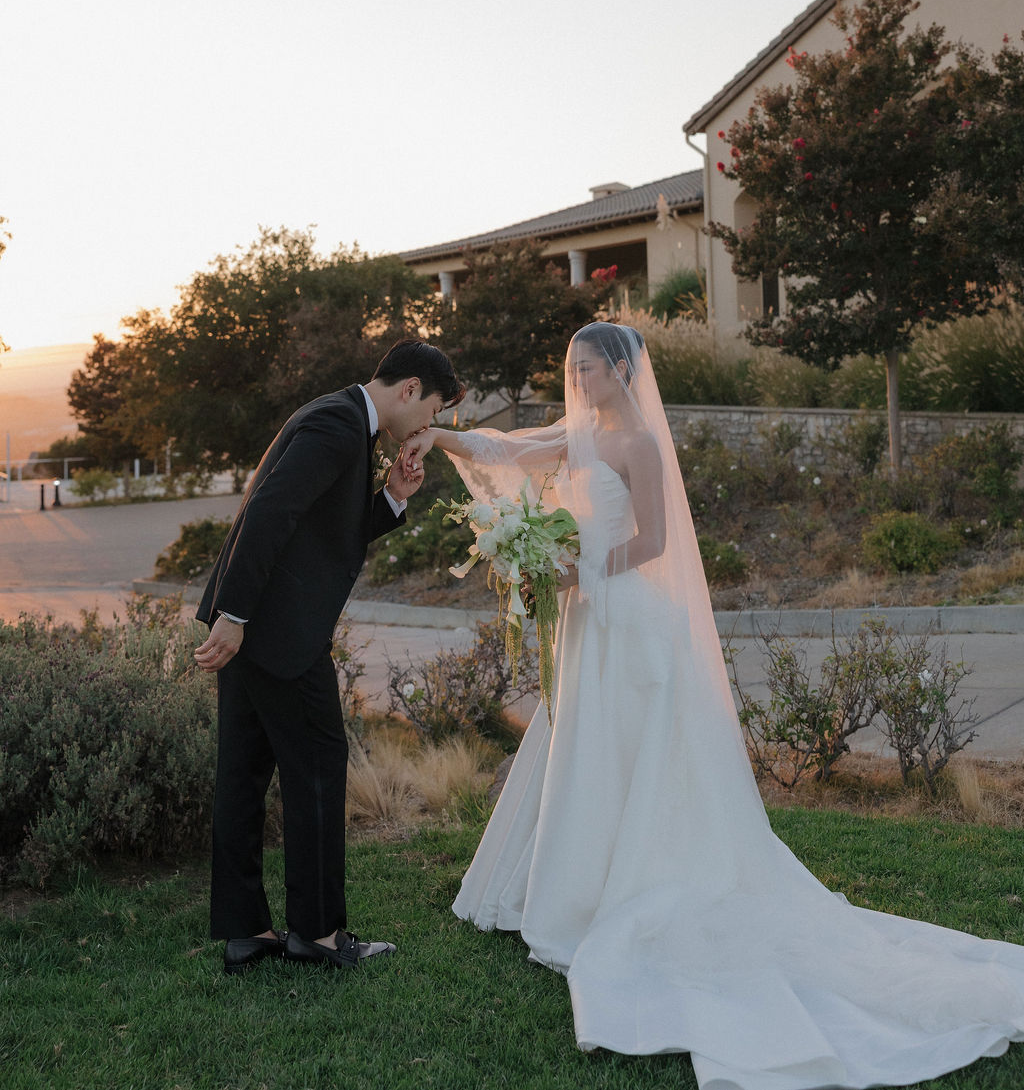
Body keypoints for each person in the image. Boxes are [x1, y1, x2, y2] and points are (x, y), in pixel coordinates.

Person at [404, 322, 1024, 1090]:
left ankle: (632, 882)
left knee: (630, 747)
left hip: (624, 610)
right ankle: (570, 880)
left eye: (589, 368)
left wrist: (579, 571)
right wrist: (442, 438)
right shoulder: (580, 432)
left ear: (623, 369)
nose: (579, 378)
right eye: (573, 367)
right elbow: (507, 451)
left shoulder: (638, 443)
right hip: (588, 613)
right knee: (583, 744)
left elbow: (657, 540)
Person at [195, 339, 463, 975]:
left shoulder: (341, 419)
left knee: (243, 774)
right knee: (318, 767)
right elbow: (268, 513)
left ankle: (248, 933)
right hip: (276, 634)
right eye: (432, 411)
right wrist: (235, 616)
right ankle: (315, 936)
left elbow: (321, 534)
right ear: (408, 390)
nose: (429, 426)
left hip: (258, 627)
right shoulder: (339, 426)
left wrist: (393, 497)